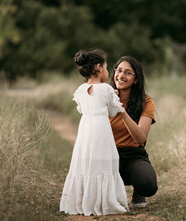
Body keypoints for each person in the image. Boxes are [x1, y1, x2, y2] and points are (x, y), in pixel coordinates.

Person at [60, 49, 129, 216]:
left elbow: (82, 110)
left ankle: (82, 201)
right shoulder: (106, 89)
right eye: (106, 67)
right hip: (101, 130)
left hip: (86, 130)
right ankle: (104, 201)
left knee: (85, 161)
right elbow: (113, 113)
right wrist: (116, 96)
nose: (108, 71)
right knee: (103, 161)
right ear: (98, 67)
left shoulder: (81, 90)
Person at [110, 56, 158, 208]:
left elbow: (140, 137)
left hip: (134, 154)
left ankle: (139, 191)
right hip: (108, 153)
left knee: (148, 184)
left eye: (128, 73)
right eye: (119, 70)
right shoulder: (104, 97)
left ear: (136, 79)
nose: (121, 75)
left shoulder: (146, 102)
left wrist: (121, 110)